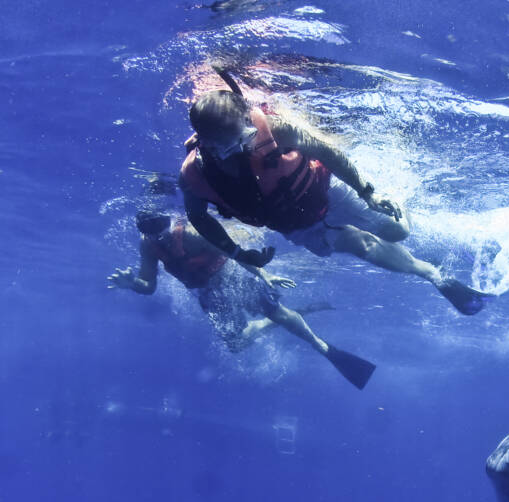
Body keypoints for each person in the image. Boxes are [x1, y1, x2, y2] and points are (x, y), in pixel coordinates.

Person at [178, 70, 488, 316]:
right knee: (362, 247)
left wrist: (368, 193)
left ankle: (398, 194)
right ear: (203, 141)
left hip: (325, 189)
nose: (235, 152)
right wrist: (236, 252)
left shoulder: (276, 129)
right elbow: (198, 217)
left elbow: (327, 152)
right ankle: (433, 275)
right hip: (298, 225)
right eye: (221, 148)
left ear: (249, 122)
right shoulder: (193, 173)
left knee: (398, 232)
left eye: (243, 139)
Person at [107, 211, 376, 389]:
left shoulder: (192, 234)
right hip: (208, 294)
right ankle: (301, 311)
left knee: (276, 313)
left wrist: (265, 275)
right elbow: (148, 285)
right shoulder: (148, 246)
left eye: (162, 232)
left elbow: (236, 254)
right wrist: (133, 284)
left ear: (169, 223)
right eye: (152, 234)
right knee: (236, 344)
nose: (159, 238)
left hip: (232, 276)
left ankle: (324, 348)